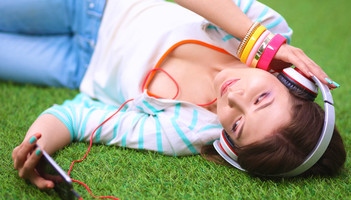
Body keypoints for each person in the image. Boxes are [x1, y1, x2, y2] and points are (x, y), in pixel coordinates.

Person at [7, 0, 345, 189]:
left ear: (228, 144)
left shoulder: (187, 130)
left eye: (238, 124)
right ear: (289, 79)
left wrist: (38, 142)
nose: (234, 98)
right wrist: (259, 41)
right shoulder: (266, 34)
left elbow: (78, 118)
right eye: (262, 98)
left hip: (72, 67)